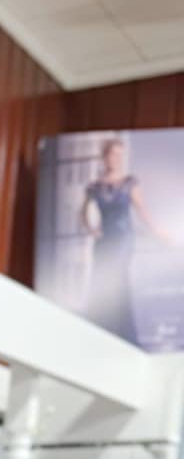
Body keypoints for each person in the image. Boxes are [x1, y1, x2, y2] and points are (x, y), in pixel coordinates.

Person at [82, 137, 174, 345]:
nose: (115, 159)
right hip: (104, 242)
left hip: (124, 240)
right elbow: (82, 213)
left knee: (120, 282)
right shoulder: (94, 187)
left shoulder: (129, 182)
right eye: (112, 154)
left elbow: (142, 212)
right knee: (102, 281)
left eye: (119, 155)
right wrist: (91, 229)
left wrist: (158, 231)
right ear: (104, 157)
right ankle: (99, 331)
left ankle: (124, 336)